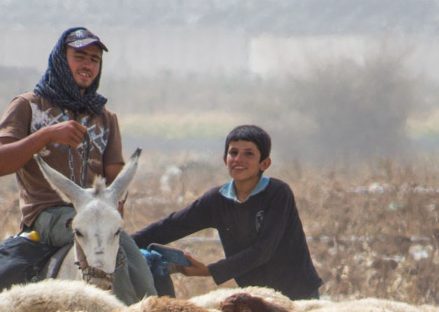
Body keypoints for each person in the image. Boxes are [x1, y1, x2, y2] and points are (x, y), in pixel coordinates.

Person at [0, 26, 156, 304]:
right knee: (117, 255)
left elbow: (115, 174)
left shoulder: (105, 117)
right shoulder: (28, 106)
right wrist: (47, 135)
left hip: (98, 212)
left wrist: (117, 203)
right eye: (80, 56)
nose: (88, 64)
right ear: (60, 59)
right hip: (47, 214)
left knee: (138, 262)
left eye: (94, 59)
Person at [132, 125, 323, 300]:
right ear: (225, 160)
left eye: (249, 154)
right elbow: (170, 226)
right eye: (233, 153)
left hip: (298, 293)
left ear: (264, 163)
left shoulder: (277, 193)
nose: (239, 159)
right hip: (257, 297)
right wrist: (123, 242)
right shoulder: (217, 200)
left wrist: (209, 270)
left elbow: (262, 251)